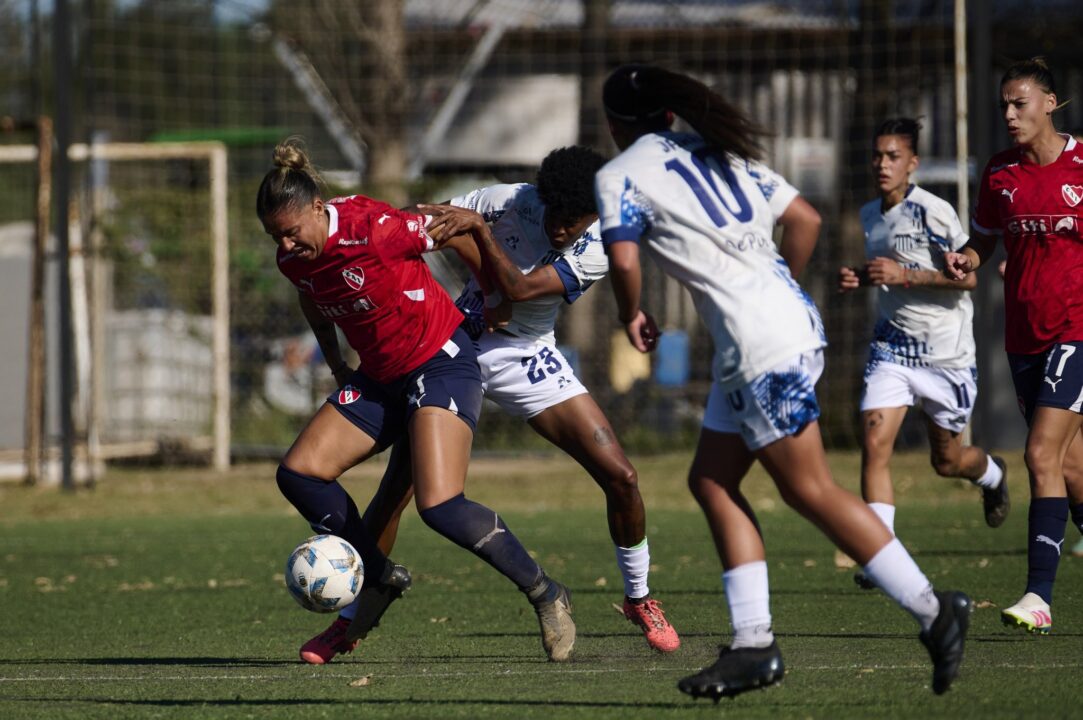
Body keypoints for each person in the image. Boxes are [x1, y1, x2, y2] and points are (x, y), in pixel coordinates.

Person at [593, 63, 971, 700]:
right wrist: (778, 291)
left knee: (810, 490)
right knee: (711, 480)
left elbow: (623, 258)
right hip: (782, 328)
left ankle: (936, 612)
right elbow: (806, 221)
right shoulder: (720, 153)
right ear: (668, 115)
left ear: (613, 125)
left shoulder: (620, 173)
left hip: (761, 345)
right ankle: (753, 644)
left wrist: (631, 312)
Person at [257, 138, 575, 665]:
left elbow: (457, 229)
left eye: (291, 233)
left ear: (318, 207)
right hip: (381, 378)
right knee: (298, 473)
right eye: (276, 237)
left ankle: (545, 593)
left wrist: (492, 291)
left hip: (440, 363)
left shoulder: (374, 228)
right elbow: (309, 294)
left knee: (440, 505)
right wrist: (336, 363)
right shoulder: (294, 260)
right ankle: (377, 575)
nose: (285, 247)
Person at [422, 146, 680, 653]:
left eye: (573, 219)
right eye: (555, 216)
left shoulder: (601, 244)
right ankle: (351, 618)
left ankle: (640, 597)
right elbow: (428, 221)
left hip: (526, 357)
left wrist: (474, 230)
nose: (562, 228)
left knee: (622, 476)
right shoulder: (511, 200)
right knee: (406, 491)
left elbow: (516, 289)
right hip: (458, 345)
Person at [836, 117, 1010, 587]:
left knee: (947, 462)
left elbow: (968, 277)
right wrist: (859, 275)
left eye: (892, 156)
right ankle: (881, 555)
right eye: (877, 155)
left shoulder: (934, 212)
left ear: (912, 164)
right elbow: (885, 270)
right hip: (891, 350)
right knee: (874, 442)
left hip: (945, 355)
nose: (882, 164)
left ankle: (993, 475)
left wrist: (905, 276)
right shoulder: (869, 213)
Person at [944, 58, 1083, 634]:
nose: (1009, 114)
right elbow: (986, 238)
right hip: (1024, 336)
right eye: (1004, 104)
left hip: (1077, 332)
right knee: (1073, 468)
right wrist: (968, 258)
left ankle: (1038, 597)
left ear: (1050, 103)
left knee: (1040, 455)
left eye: (1019, 102)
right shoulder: (999, 173)